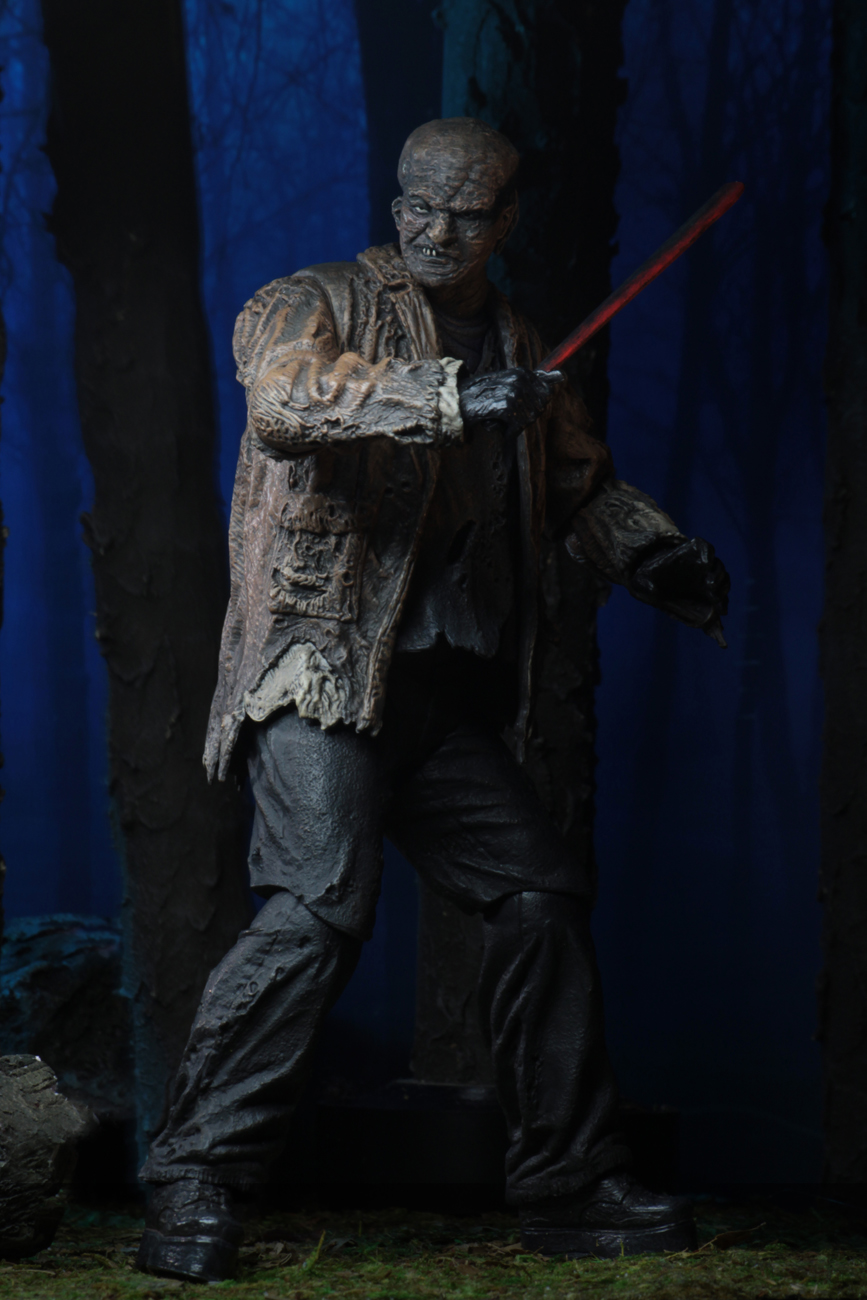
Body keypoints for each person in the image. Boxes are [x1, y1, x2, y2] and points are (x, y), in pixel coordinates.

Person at [136, 117, 729, 1282]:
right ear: (395, 200)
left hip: (440, 694)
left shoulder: (519, 342)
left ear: (505, 221)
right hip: (320, 669)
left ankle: (569, 1179)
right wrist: (449, 394)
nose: (437, 232)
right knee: (316, 909)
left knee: (537, 895)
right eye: (418, 206)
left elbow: (576, 483)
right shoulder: (311, 302)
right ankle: (193, 1178)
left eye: (466, 214)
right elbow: (290, 401)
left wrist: (651, 551)